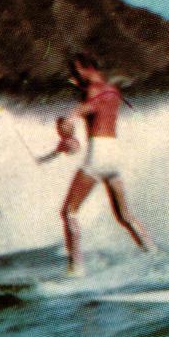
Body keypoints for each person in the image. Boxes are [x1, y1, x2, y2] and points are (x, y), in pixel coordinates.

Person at [60, 52, 156, 277]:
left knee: (69, 212)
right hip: (114, 153)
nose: (74, 75)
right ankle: (153, 252)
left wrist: (65, 128)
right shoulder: (113, 90)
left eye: (75, 71)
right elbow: (99, 108)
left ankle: (75, 269)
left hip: (98, 153)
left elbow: (73, 121)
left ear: (86, 67)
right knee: (124, 216)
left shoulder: (92, 91)